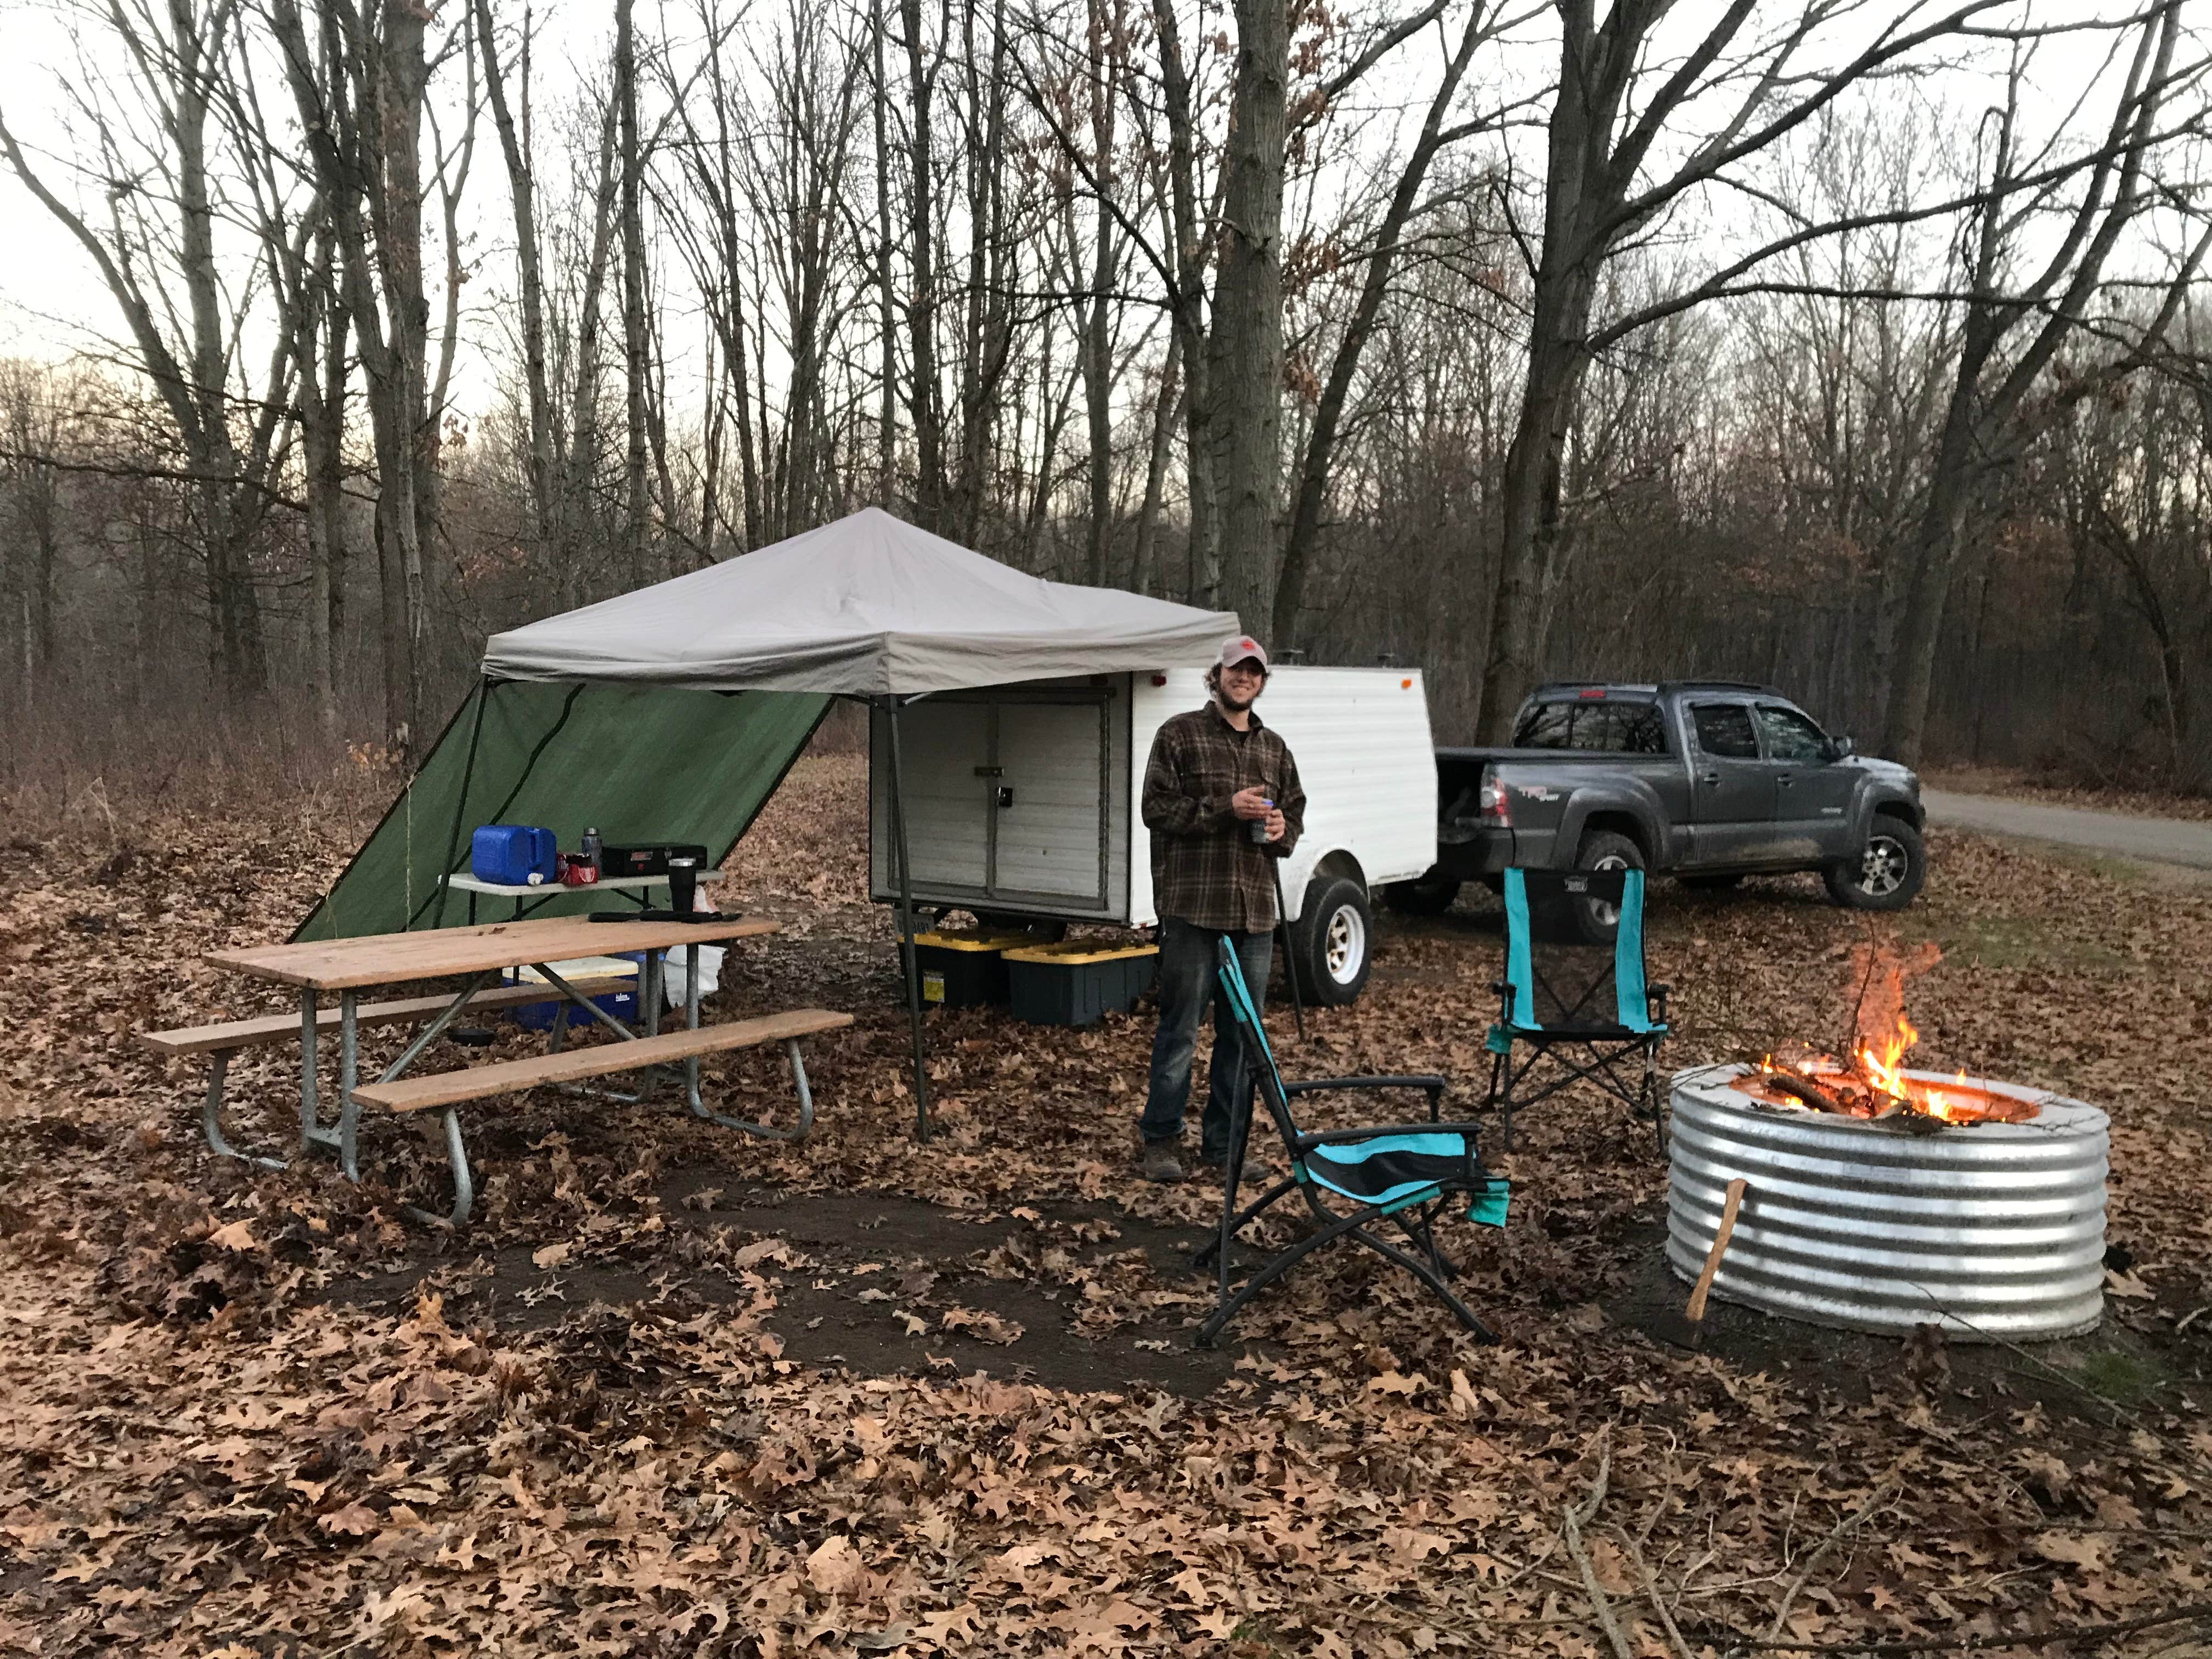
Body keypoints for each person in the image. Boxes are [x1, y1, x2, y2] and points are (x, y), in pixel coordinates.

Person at [1136, 635, 1306, 1183]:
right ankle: (1161, 1142)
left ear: (1262, 682)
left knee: (1243, 1035)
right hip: (1193, 908)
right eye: (1237, 669)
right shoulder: (1179, 735)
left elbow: (1295, 814)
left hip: (1254, 915)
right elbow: (1155, 809)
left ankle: (1224, 1147)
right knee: (1181, 1030)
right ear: (1218, 676)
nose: (1245, 678)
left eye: (1254, 672)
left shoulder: (1274, 749)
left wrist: (1283, 830)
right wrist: (1223, 809)